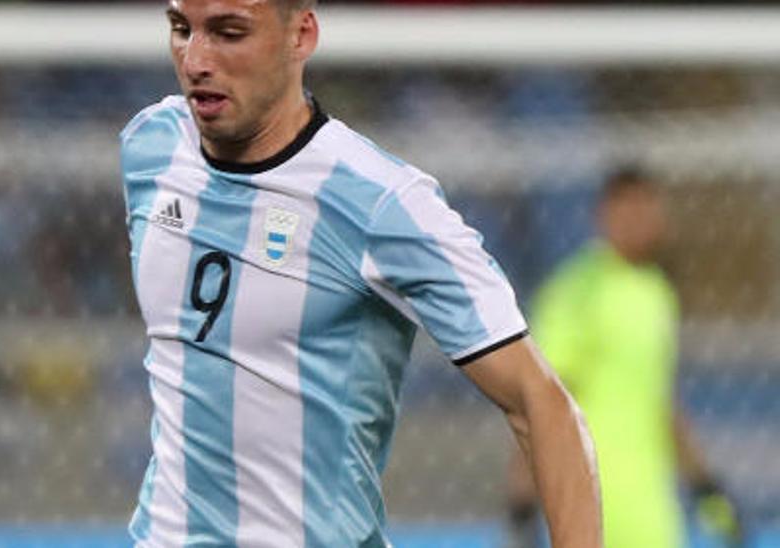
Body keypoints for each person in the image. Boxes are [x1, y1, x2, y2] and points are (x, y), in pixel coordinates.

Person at [119, 0, 602, 545]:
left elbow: (543, 405)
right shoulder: (151, 148)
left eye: (230, 32)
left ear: (300, 35)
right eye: (181, 29)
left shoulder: (382, 204)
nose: (196, 59)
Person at [507, 168, 745, 548]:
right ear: (603, 215)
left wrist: (705, 487)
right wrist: (521, 501)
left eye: (648, 211)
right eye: (627, 211)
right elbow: (541, 400)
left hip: (653, 508)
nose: (639, 223)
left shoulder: (657, 291)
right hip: (592, 503)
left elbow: (658, 402)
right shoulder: (578, 291)